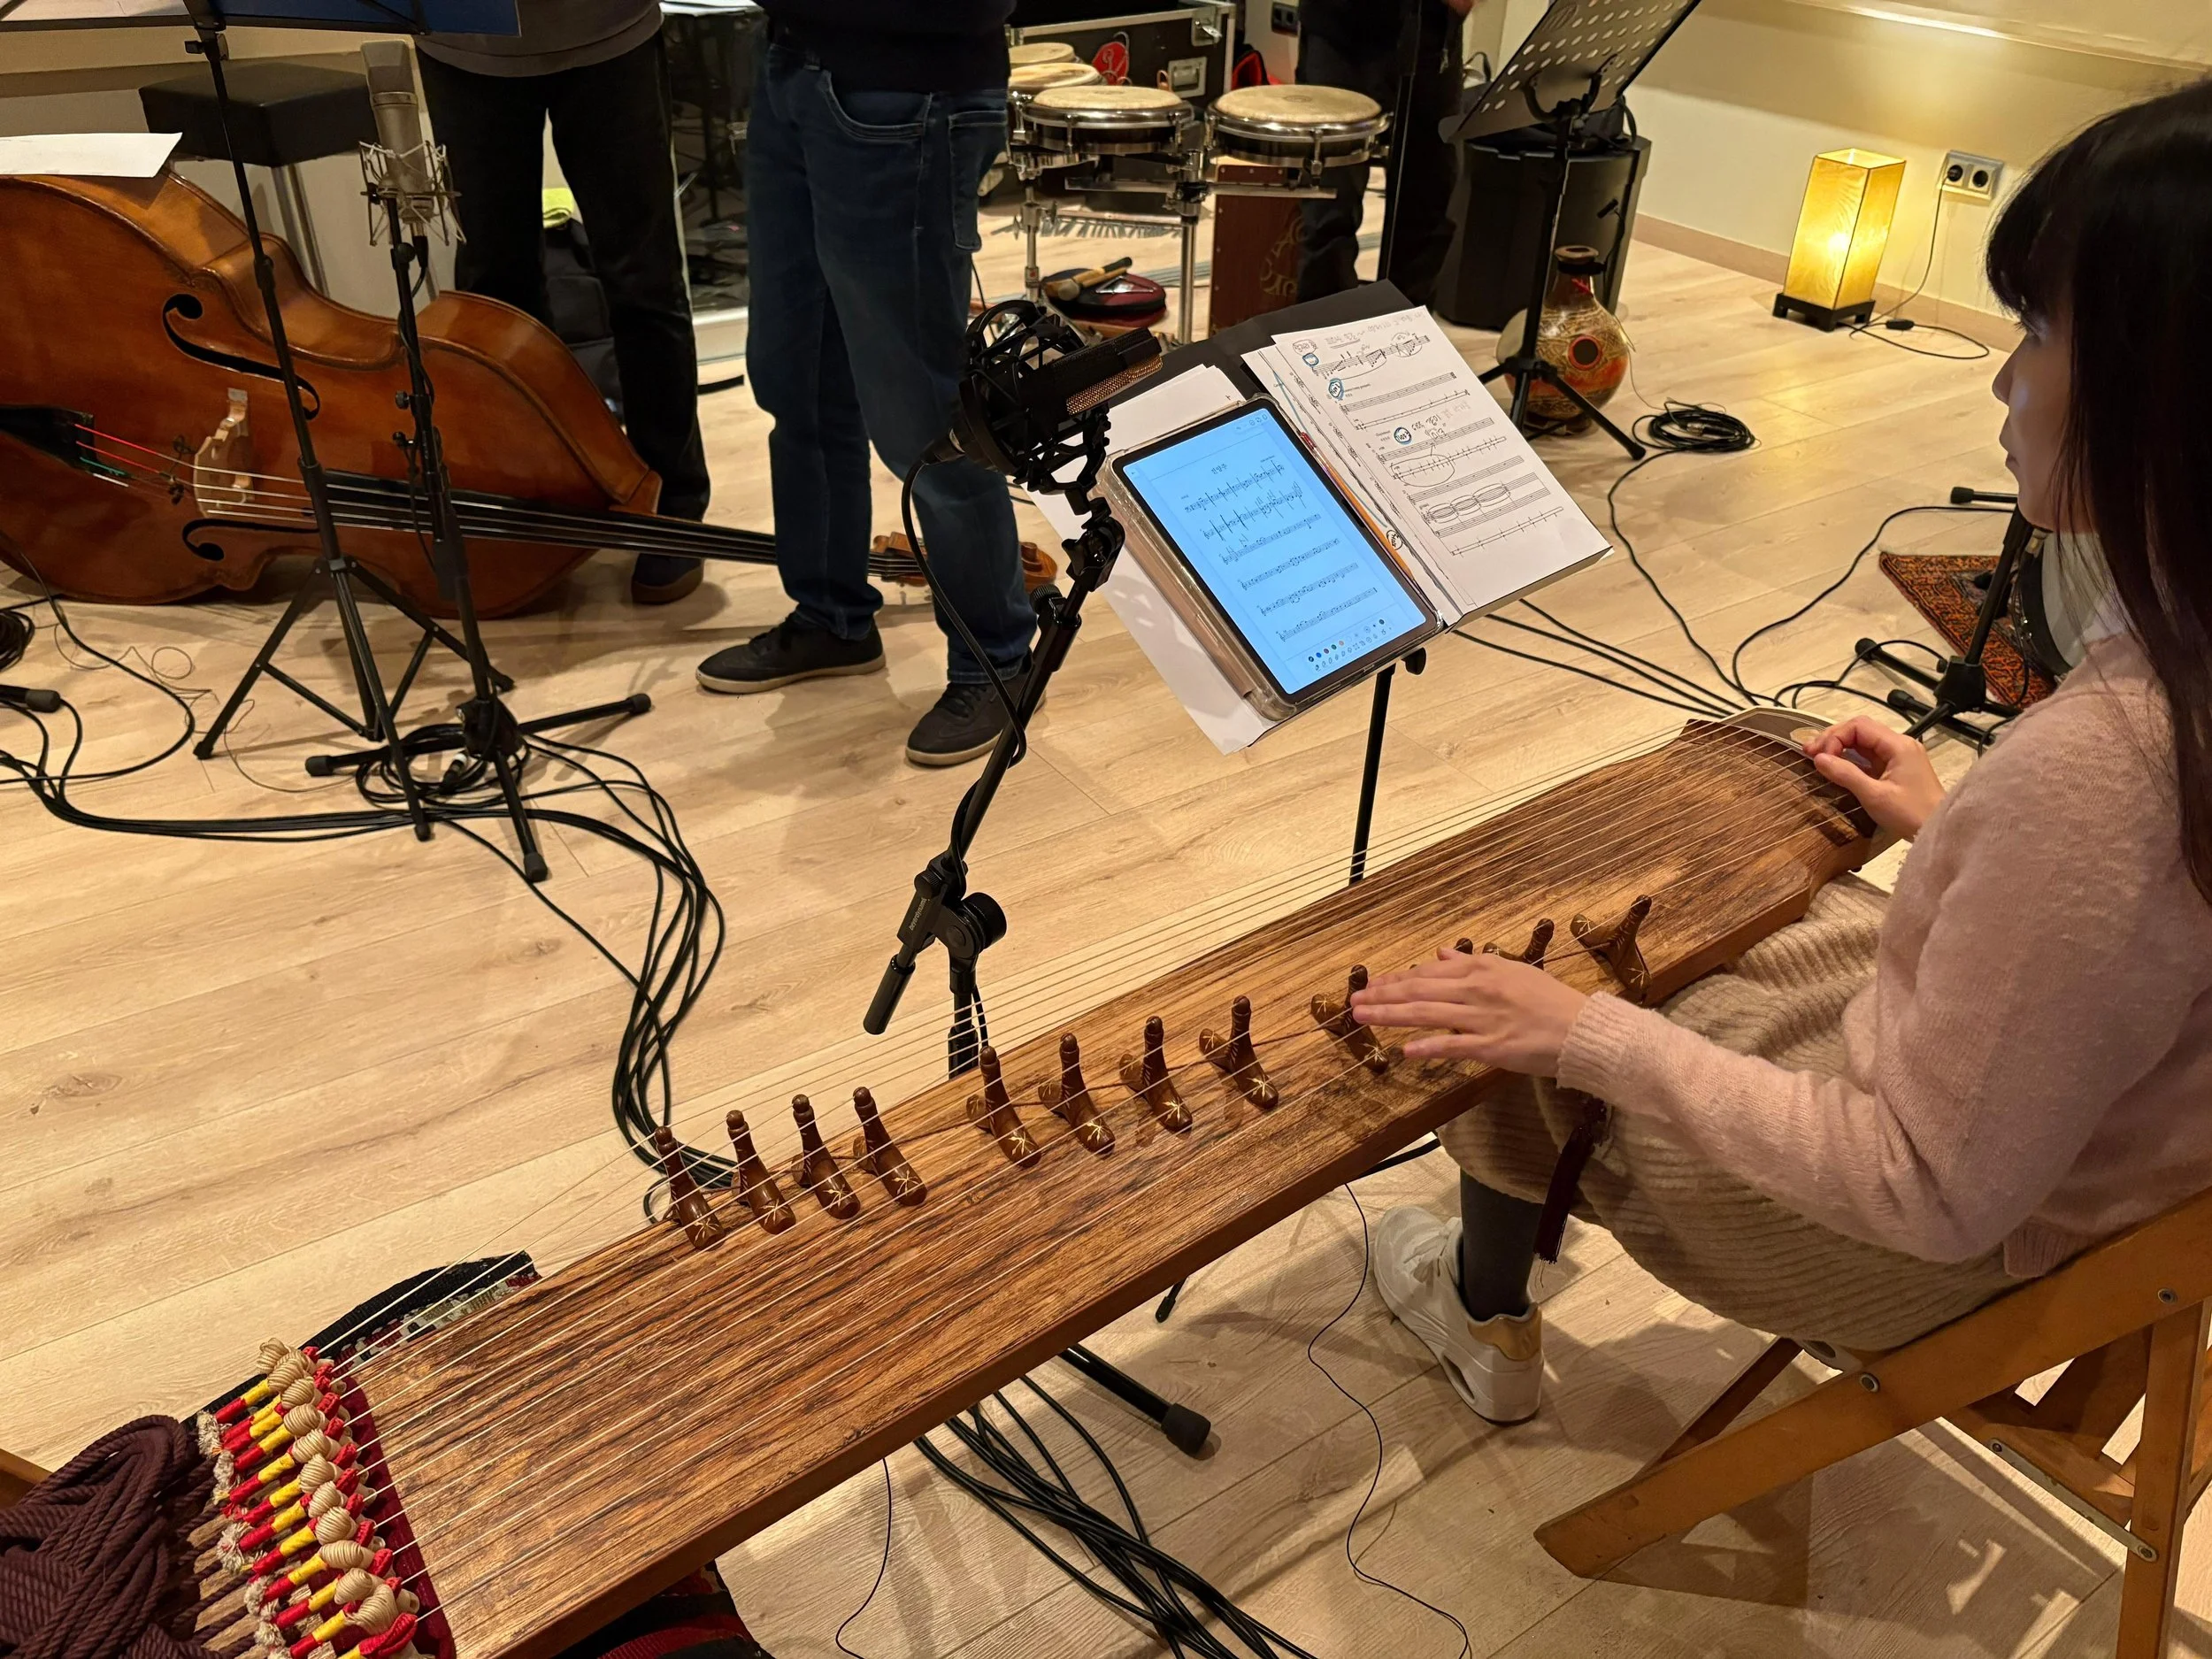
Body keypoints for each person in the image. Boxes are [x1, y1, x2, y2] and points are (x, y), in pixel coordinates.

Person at [1347, 81, 2212, 1424]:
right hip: (2105, 1158)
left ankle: (1481, 1309)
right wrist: (1954, 827)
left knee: (1524, 987)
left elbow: (1922, 1189)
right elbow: (2132, 935)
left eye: (2039, 330)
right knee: (1749, 794)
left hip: (1953, 1249)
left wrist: (1583, 1036)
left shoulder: (2112, 766)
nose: (2004, 376)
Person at [690, 1, 1037, 769]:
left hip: (903, 86)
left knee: (921, 414)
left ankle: (999, 657)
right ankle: (832, 614)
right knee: (796, 376)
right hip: (792, 64)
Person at [416, 1, 710, 606]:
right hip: (464, 47)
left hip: (609, 35)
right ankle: (530, 497)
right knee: (494, 298)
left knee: (643, 281)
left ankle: (672, 505)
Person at [1294, 0, 1471, 307]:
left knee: (1428, 206)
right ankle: (1323, 327)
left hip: (1429, 29)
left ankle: (1403, 325)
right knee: (1329, 207)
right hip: (1338, 30)